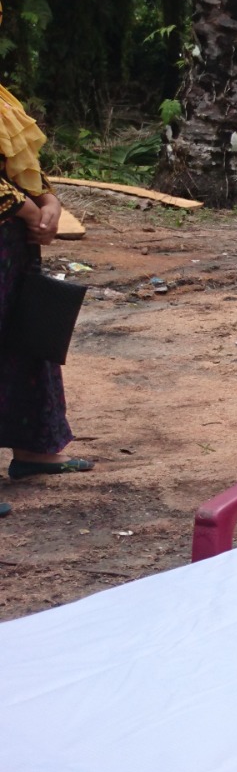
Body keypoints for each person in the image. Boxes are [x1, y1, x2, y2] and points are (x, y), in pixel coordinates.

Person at [0, 46, 95, 510]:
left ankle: (35, 449)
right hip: (11, 227)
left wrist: (49, 203)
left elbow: (25, 171)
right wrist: (24, 208)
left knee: (26, 337)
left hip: (12, 245)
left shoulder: (3, 100)